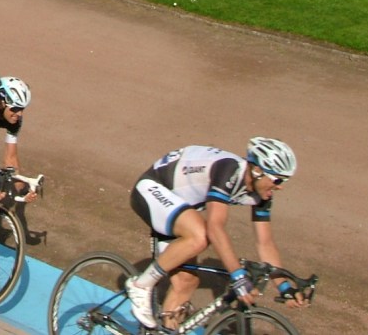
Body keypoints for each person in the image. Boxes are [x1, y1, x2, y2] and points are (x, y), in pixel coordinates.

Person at [125, 138, 308, 330]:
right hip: (152, 189)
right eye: (277, 179)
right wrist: (237, 276)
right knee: (201, 235)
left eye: (284, 180)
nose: (280, 187)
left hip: (178, 206)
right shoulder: (228, 170)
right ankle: (140, 286)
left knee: (186, 282)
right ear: (257, 171)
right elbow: (215, 227)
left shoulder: (262, 195)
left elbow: (265, 243)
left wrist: (284, 287)